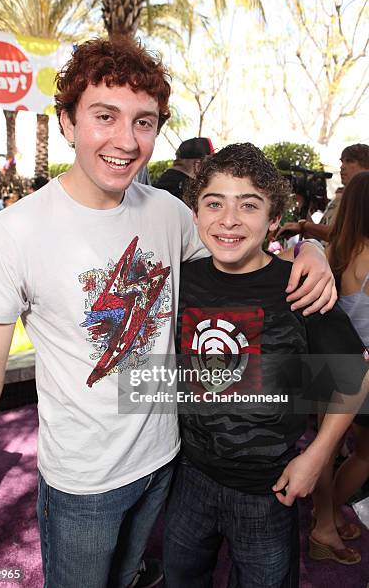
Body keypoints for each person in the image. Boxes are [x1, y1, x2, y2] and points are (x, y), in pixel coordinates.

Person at [0, 38, 335, 588]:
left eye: (144, 122)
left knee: (135, 577)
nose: (126, 140)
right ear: (66, 121)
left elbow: (240, 257)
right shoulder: (15, 233)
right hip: (82, 483)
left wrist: (313, 250)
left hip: (169, 461)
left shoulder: (169, 212)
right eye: (104, 117)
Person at [163, 143, 368, 587]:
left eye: (249, 205)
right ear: (195, 214)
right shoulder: (181, 280)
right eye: (213, 203)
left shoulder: (298, 287)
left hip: (268, 488)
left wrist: (316, 456)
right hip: (189, 476)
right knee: (180, 574)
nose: (229, 219)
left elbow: (355, 375)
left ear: (274, 220)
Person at [310, 171, 369, 565]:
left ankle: (324, 522)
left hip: (326, 362)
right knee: (365, 455)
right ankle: (325, 523)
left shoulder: (336, 251)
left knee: (324, 450)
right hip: (360, 372)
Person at [277, 143, 369, 244]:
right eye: (342, 161)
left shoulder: (363, 197)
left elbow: (342, 235)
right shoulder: (339, 198)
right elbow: (318, 238)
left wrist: (304, 225)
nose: (342, 167)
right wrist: (302, 201)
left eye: (349, 161)